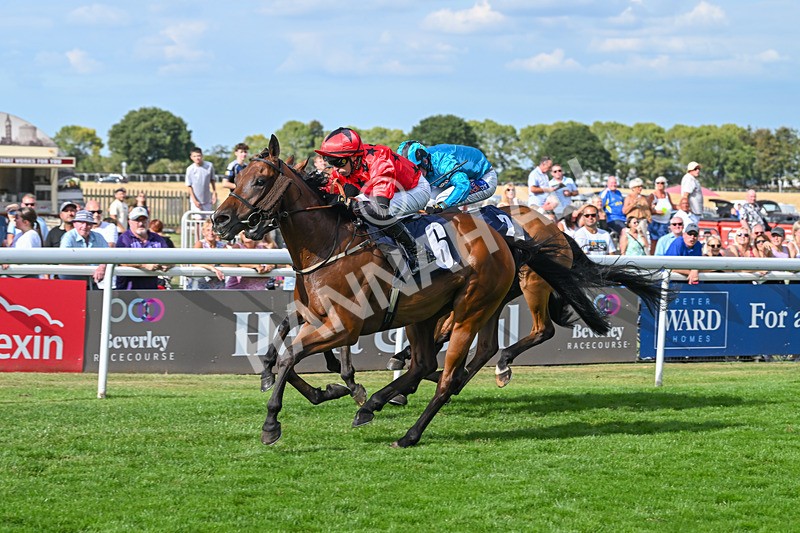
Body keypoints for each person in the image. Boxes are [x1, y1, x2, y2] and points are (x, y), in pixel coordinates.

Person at [316, 128, 430, 275]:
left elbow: (380, 207)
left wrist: (349, 203)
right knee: (353, 206)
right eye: (331, 162)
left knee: (369, 210)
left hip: (415, 189)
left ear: (354, 157)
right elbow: (324, 192)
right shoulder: (345, 166)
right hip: (388, 192)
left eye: (339, 162)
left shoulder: (380, 160)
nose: (337, 168)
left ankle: (418, 252)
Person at [397, 140, 497, 212]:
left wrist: (443, 206)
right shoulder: (424, 164)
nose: (414, 174)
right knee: (427, 201)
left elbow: (463, 185)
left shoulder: (443, 162)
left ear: (425, 161)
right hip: (452, 182)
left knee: (442, 200)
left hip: (484, 178)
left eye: (416, 169)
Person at [115, 206, 170, 289]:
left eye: (143, 220)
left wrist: (168, 264)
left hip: (151, 291)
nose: (141, 223)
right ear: (129, 222)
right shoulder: (124, 238)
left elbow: (170, 258)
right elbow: (121, 261)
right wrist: (144, 265)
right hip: (127, 291)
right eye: (137, 220)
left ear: (148, 221)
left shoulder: (157, 239)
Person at [59, 209, 108, 289]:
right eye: (81, 222)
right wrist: (90, 267)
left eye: (88, 223)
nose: (84, 226)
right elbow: (64, 259)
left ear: (92, 225)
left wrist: (102, 266)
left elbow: (109, 255)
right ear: (74, 224)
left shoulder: (98, 237)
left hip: (91, 284)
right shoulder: (68, 237)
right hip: (69, 283)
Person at [192, 218, 229, 289]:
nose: (211, 233)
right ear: (203, 232)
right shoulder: (200, 244)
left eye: (213, 230)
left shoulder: (222, 246)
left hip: (218, 282)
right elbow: (195, 262)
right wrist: (211, 267)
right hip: (201, 281)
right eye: (208, 230)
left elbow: (228, 263)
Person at [185, 146, 217, 213]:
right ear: (191, 157)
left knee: (207, 220)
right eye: (194, 156)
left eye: (199, 155)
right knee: (197, 220)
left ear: (202, 156)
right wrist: (194, 200)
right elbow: (189, 186)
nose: (197, 158)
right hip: (196, 200)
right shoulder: (190, 169)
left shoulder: (209, 166)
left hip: (207, 199)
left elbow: (212, 180)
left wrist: (214, 193)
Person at [621, 177, 651, 249]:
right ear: (633, 188)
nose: (640, 188)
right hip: (632, 221)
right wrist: (633, 204)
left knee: (643, 239)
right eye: (638, 187)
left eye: (641, 187)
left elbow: (647, 210)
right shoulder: (629, 197)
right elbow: (624, 211)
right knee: (632, 239)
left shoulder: (643, 198)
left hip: (642, 221)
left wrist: (649, 218)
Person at [648, 176, 675, 253]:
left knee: (665, 241)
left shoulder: (667, 195)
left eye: (662, 183)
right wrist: (656, 212)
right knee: (655, 241)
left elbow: (672, 205)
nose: (660, 184)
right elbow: (647, 209)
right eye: (658, 183)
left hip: (666, 222)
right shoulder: (652, 195)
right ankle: (652, 259)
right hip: (656, 222)